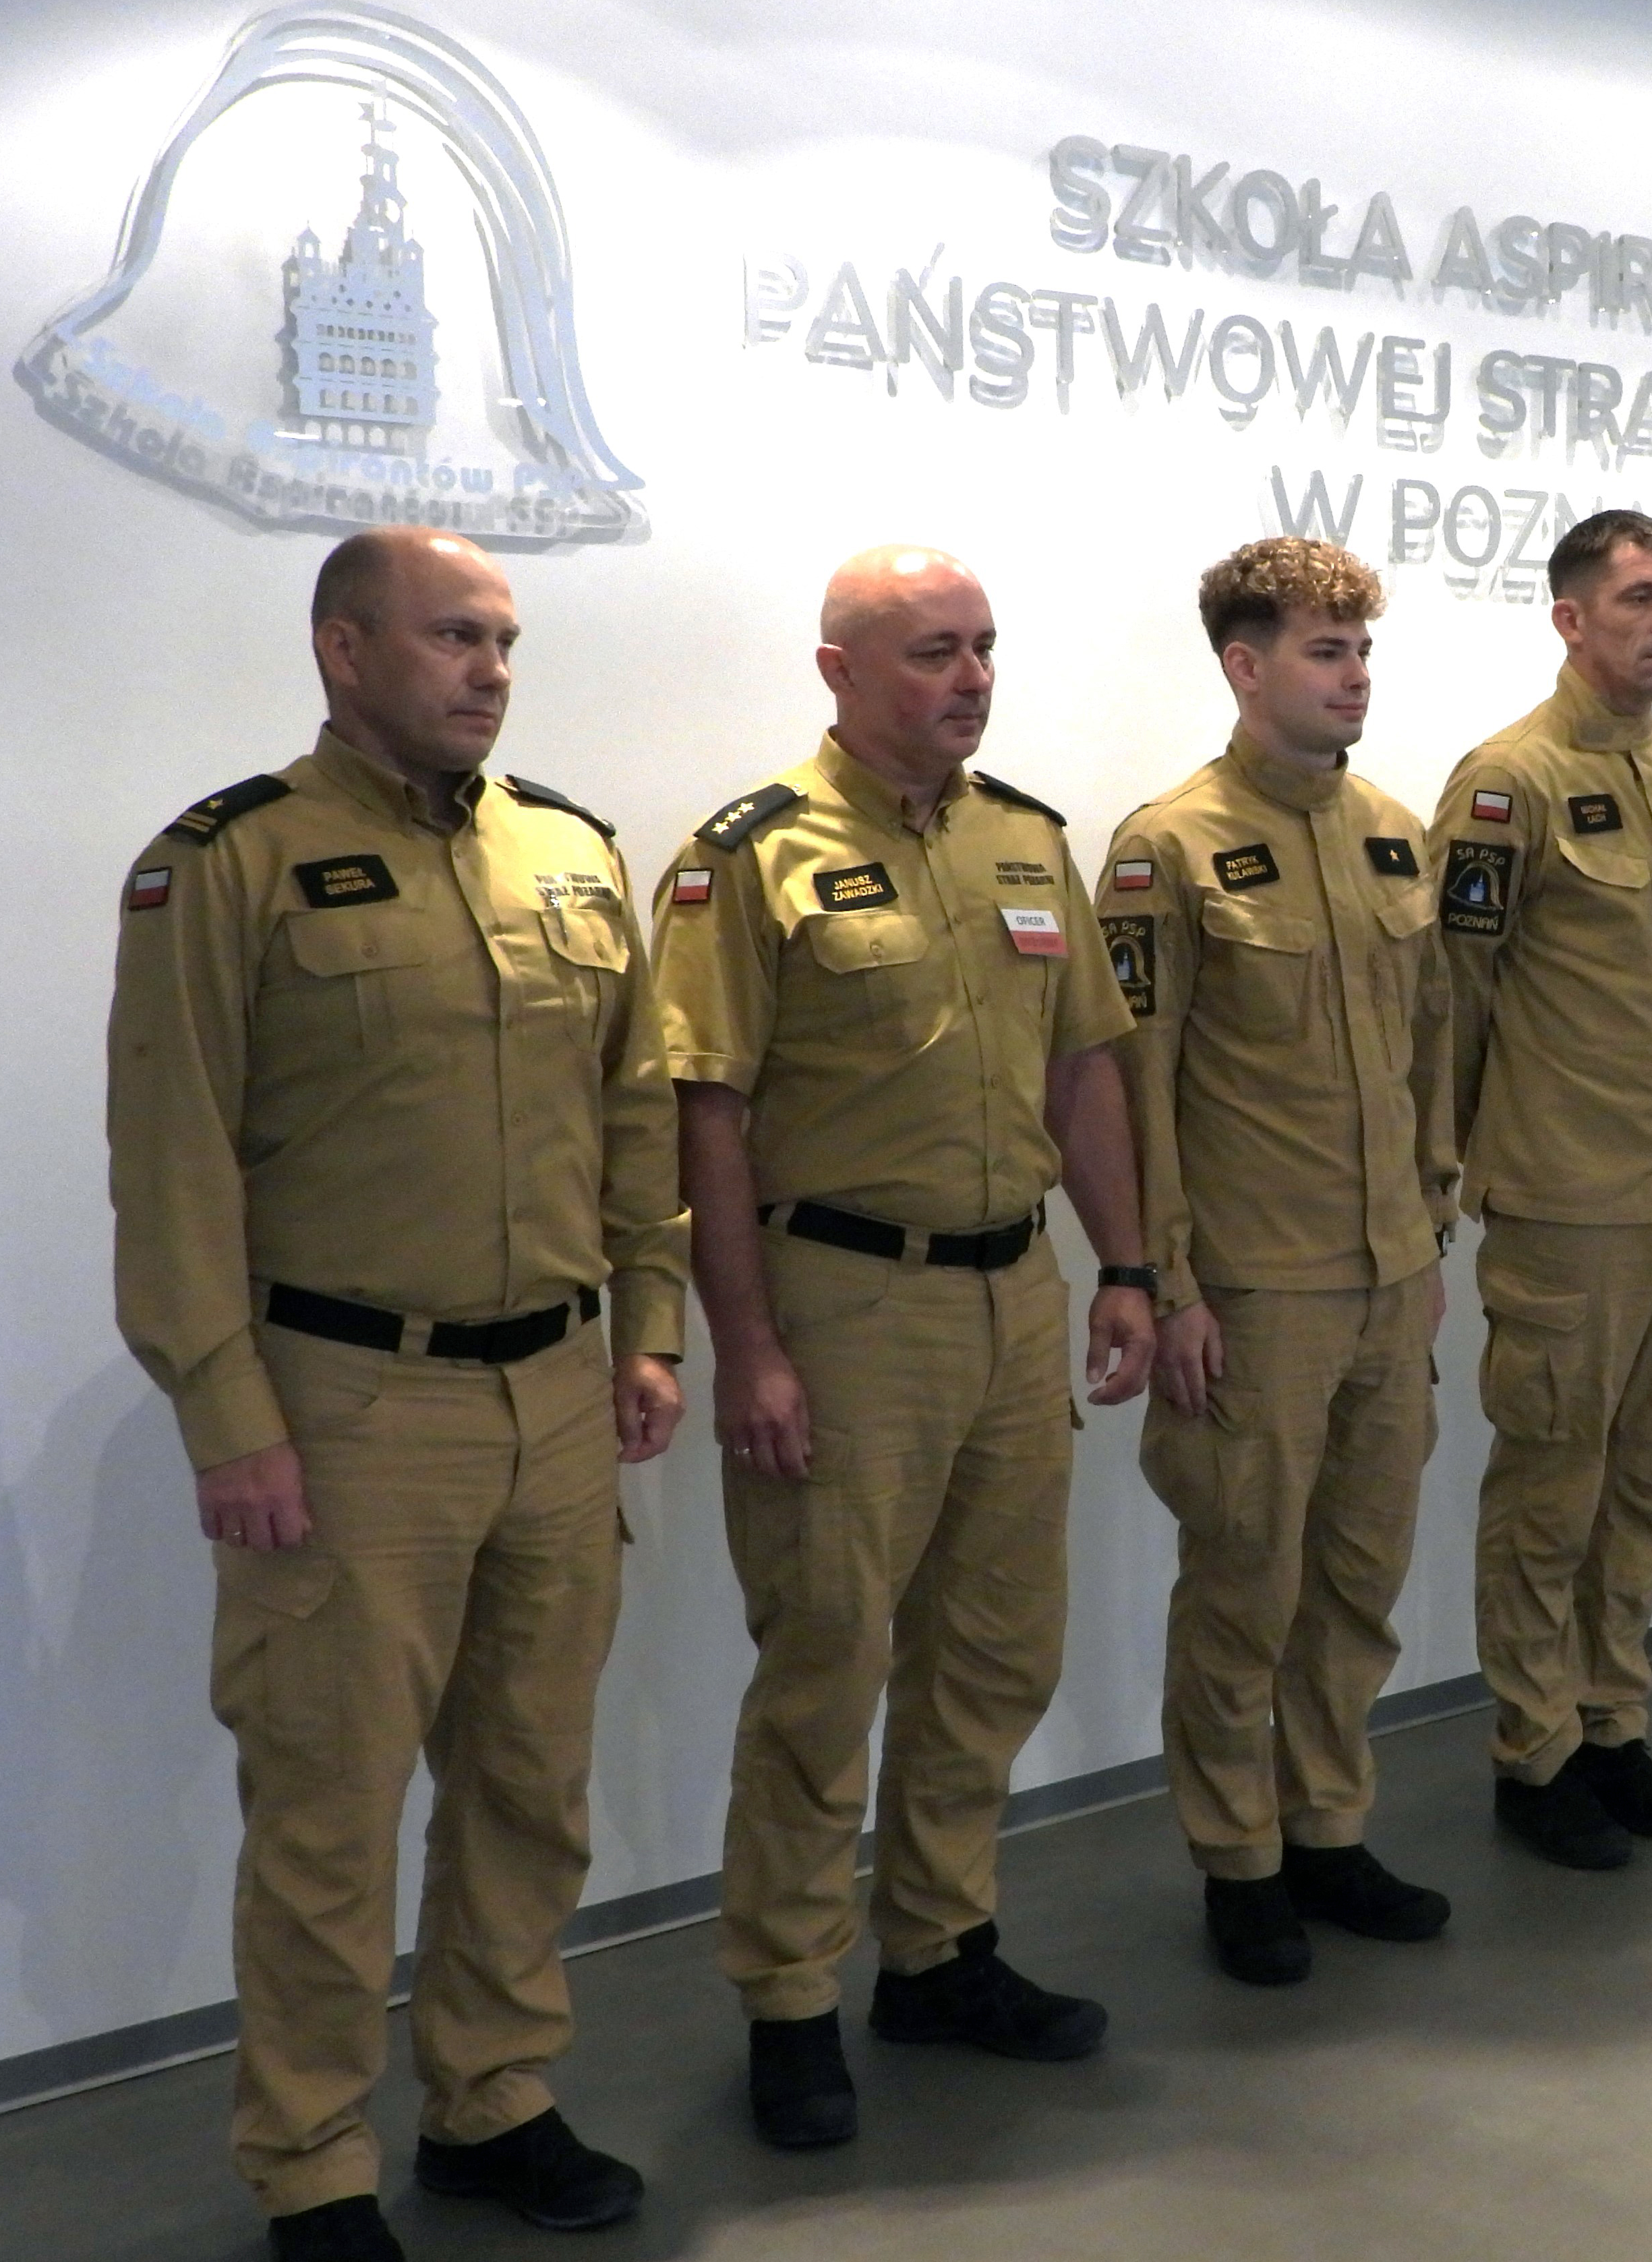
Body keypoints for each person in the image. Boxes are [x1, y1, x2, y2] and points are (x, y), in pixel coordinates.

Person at [108, 527, 687, 2262]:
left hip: (555, 1397)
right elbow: (172, 1163)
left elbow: (635, 1111)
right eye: (453, 637)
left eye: (504, 640)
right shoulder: (231, 863)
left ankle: (494, 2098)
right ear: (344, 648)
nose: (492, 670)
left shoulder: (571, 852)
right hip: (349, 1408)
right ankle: (310, 2165)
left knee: (530, 1784)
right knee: (330, 1814)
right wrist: (229, 1418)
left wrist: (650, 1323)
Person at [651, 545, 1155, 2150]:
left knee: (995, 1648)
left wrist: (1128, 1265)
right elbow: (706, 1118)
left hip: (1013, 1294)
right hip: (844, 1302)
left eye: (984, 646)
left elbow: (1085, 1070)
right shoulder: (752, 857)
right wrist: (748, 1346)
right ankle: (790, 1999)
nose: (972, 677)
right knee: (827, 1662)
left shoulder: (1025, 840)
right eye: (934, 650)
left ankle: (939, 1948)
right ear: (841, 671)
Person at [1094, 536, 1456, 1986]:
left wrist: (1431, 1231)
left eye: (1361, 650)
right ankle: (1237, 1858)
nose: (1354, 676)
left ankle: (1328, 1827)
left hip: (1386, 1278)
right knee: (1244, 1584)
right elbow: (1137, 1086)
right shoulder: (1167, 850)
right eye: (1324, 651)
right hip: (1253, 1289)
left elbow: (1429, 1049)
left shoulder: (1393, 831)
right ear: (1246, 668)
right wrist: (1167, 1284)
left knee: (1358, 1578)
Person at [1427, 510, 1652, 1872]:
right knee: (1551, 1489)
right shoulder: (1508, 784)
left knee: (1651, 1485)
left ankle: (1615, 1725)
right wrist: (1449, 1178)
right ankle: (1535, 1750)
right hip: (1566, 1198)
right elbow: (1452, 999)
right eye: (1636, 599)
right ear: (1570, 617)